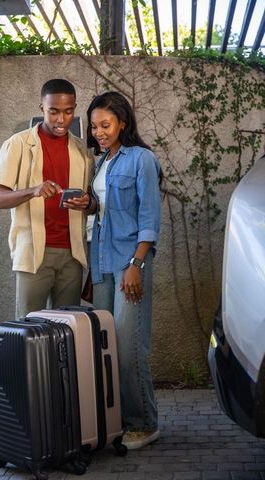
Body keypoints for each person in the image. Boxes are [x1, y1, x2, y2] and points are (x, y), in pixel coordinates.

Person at [86, 91, 162, 450]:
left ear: (123, 123)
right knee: (106, 346)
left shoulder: (142, 159)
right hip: (102, 263)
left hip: (130, 263)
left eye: (105, 124)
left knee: (129, 345)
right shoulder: (100, 162)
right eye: (94, 126)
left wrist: (137, 263)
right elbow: (105, 214)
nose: (99, 131)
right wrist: (87, 203)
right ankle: (117, 420)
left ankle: (145, 424)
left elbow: (148, 217)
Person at [0, 79, 94, 318]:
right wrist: (32, 191)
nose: (60, 119)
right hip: (34, 253)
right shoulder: (17, 144)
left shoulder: (82, 151)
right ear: (41, 108)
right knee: (29, 332)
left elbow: (92, 203)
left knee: (67, 332)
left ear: (74, 109)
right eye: (53, 111)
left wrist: (86, 203)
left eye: (68, 112)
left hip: (72, 254)